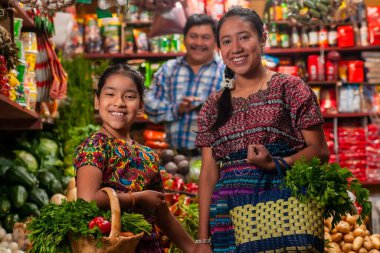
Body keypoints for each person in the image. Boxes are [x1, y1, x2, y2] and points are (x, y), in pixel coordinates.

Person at [193, 7, 330, 253]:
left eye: (244, 37)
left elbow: (319, 152)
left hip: (283, 214)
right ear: (220, 49)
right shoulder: (213, 105)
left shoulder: (291, 88)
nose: (236, 47)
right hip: (227, 219)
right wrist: (203, 240)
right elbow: (208, 175)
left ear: (263, 38)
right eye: (227, 41)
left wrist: (277, 163)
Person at [73, 63, 195, 253]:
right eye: (110, 94)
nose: (119, 102)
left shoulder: (148, 156)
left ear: (140, 106)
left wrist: (194, 248)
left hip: (149, 247)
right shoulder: (95, 146)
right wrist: (136, 198)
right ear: (97, 101)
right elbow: (87, 201)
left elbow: (160, 211)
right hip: (111, 247)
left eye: (129, 96)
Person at [144, 13, 224, 158]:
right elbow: (149, 106)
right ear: (184, 39)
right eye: (193, 36)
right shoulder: (169, 69)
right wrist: (177, 109)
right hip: (172, 158)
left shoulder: (227, 73)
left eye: (205, 37)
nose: (199, 43)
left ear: (215, 41)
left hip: (214, 160)